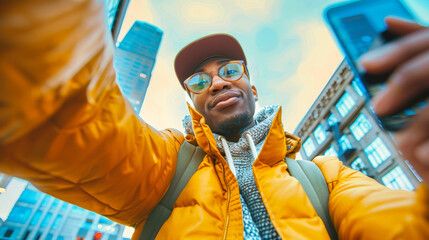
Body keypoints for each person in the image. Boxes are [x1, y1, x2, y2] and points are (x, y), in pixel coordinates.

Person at [0, 1, 428, 239]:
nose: (217, 84)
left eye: (229, 71)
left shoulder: (326, 178)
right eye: (199, 79)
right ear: (191, 100)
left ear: (252, 88)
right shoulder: (166, 166)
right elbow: (59, 117)